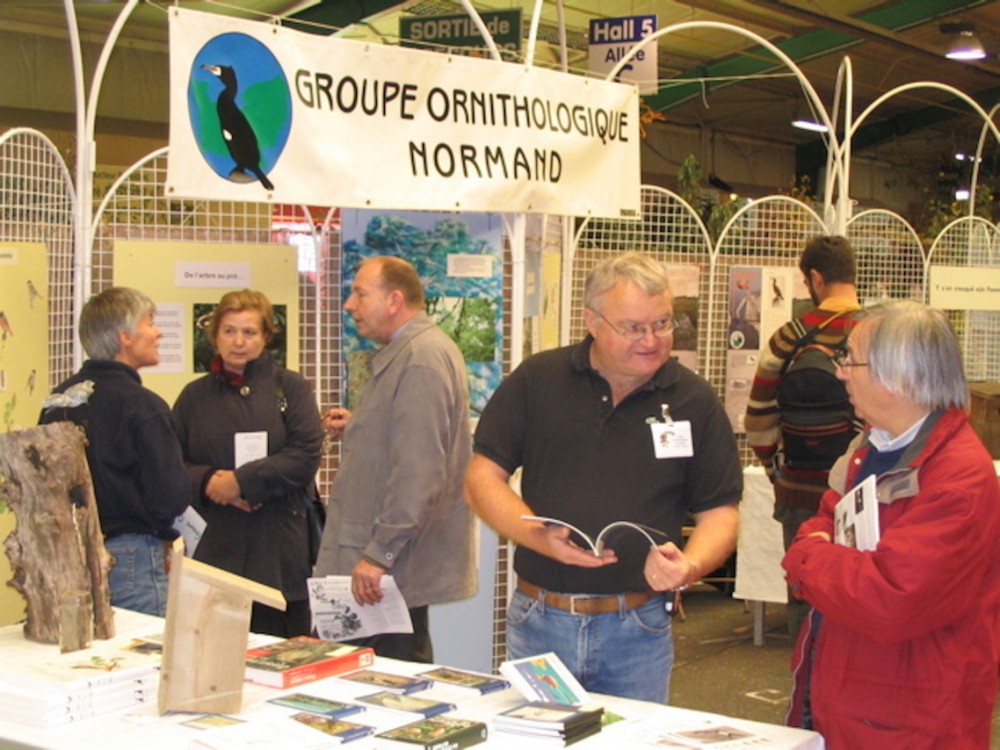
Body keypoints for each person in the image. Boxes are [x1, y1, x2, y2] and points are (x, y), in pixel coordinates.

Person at [464, 252, 742, 703]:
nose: (651, 340)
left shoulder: (694, 400)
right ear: (592, 320)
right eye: (633, 327)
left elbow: (721, 513)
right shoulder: (538, 380)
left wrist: (688, 567)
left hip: (639, 627)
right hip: (540, 620)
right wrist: (536, 536)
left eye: (664, 323)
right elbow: (481, 479)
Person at [782, 301, 1000, 749]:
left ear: (897, 375)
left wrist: (811, 560)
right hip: (851, 698)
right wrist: (829, 558)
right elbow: (823, 523)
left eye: (851, 360)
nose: (840, 372)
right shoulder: (871, 445)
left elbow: (890, 600)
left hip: (911, 722)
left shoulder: (958, 478)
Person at [314, 256, 476, 663]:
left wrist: (378, 555)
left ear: (394, 301)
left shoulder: (420, 359)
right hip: (385, 569)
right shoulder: (411, 352)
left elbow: (419, 473)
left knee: (387, 686)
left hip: (386, 572)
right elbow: (408, 441)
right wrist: (361, 427)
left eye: (360, 293)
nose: (349, 304)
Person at [173, 289, 323, 637]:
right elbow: (171, 463)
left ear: (266, 336)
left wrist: (241, 482)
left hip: (279, 554)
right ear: (215, 335)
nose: (238, 341)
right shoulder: (193, 397)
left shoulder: (291, 388)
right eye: (229, 331)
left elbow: (305, 454)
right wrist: (209, 481)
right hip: (215, 553)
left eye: (249, 332)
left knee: (282, 660)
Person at [39, 287, 190, 616]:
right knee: (145, 660)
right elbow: (170, 496)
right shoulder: (144, 407)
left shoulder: (57, 403)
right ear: (125, 336)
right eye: (150, 322)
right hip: (131, 558)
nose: (159, 331)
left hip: (67, 556)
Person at [744, 235, 861, 639]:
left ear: (815, 278)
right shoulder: (876, 335)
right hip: (863, 493)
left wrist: (778, 471)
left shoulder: (787, 337)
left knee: (806, 592)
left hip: (799, 492)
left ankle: (806, 687)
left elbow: (758, 420)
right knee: (861, 597)